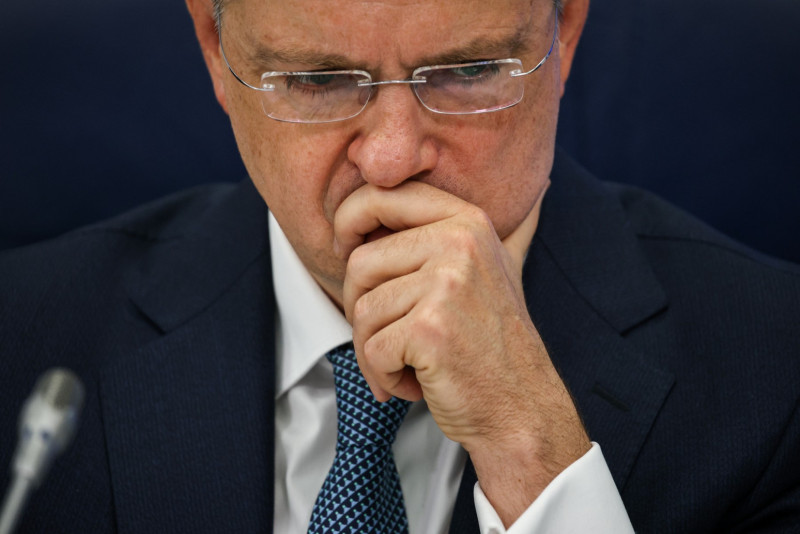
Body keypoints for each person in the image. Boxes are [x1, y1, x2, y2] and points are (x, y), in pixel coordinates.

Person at [0, 0, 798, 532]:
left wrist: (531, 450)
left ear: (566, 33)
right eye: (317, 81)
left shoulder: (776, 375)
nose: (390, 160)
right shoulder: (22, 336)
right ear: (215, 48)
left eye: (468, 72)